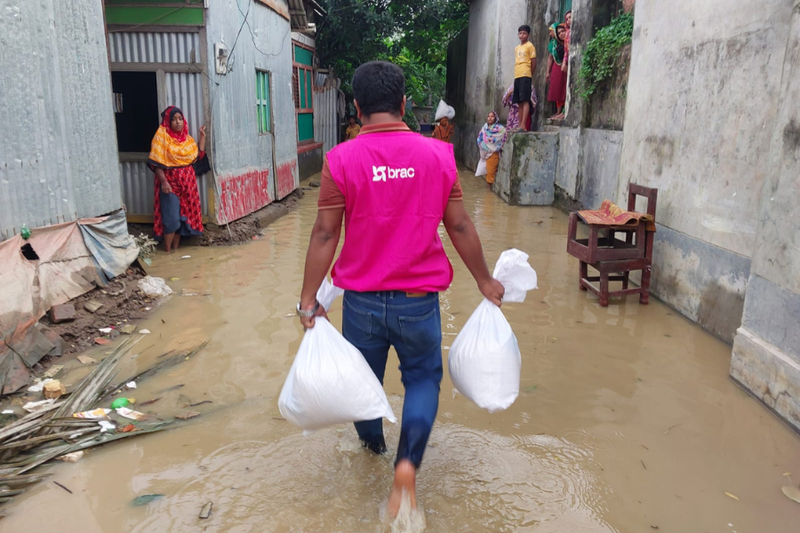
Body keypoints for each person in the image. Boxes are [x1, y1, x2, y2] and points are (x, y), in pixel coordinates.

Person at [298, 61, 504, 518]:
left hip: (362, 306)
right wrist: (486, 281)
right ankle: (406, 466)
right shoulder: (438, 155)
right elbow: (460, 225)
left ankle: (372, 450)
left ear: (356, 108)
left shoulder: (340, 160)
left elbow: (325, 235)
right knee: (424, 381)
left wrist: (308, 299)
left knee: (362, 385)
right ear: (405, 104)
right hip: (418, 305)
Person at [147, 106, 206, 252]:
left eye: (180, 119)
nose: (177, 122)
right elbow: (156, 163)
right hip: (170, 185)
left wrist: (202, 137)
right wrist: (164, 182)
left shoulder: (187, 140)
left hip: (187, 185)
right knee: (171, 219)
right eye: (173, 119)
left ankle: (175, 251)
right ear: (167, 122)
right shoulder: (162, 138)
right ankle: (167, 251)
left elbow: (198, 156)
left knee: (181, 218)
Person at [512, 24, 537, 132]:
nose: (522, 35)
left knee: (525, 100)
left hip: (526, 74)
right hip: (517, 75)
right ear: (518, 34)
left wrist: (529, 73)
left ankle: (523, 125)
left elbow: (533, 62)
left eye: (524, 33)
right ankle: (519, 125)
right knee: (519, 101)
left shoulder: (530, 46)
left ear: (528, 34)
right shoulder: (517, 48)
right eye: (520, 33)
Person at [477, 111, 507, 186]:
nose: (490, 118)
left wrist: (490, 140)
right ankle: (488, 194)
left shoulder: (500, 129)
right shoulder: (484, 128)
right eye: (488, 116)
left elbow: (503, 137)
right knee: (486, 173)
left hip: (493, 154)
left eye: (492, 116)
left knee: (490, 175)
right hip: (484, 154)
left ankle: (488, 193)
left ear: (495, 118)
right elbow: (480, 138)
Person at [546, 24, 568, 120]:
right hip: (557, 66)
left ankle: (564, 111)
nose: (551, 33)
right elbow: (550, 58)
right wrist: (548, 71)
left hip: (566, 67)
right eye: (558, 33)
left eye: (562, 31)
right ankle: (559, 111)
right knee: (557, 88)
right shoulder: (553, 44)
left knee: (565, 88)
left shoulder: (568, 42)